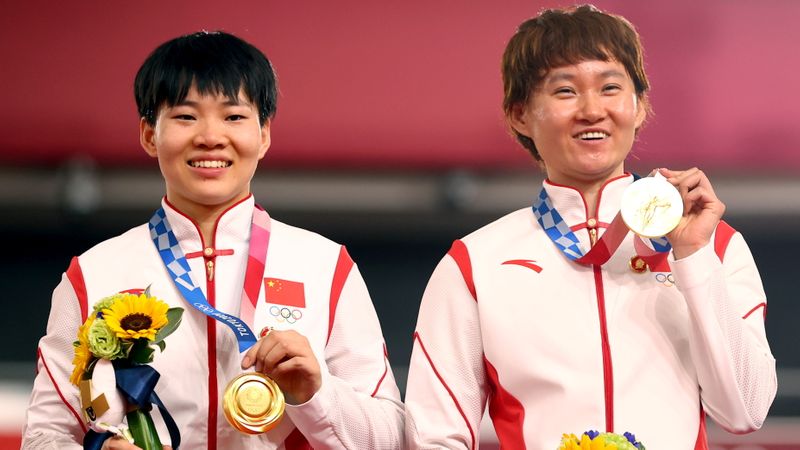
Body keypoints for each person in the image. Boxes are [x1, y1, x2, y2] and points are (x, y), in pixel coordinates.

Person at [404, 5, 777, 449]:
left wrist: (694, 258)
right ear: (520, 115)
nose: (592, 110)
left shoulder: (714, 245)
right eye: (565, 91)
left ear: (639, 107)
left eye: (610, 88)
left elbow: (745, 411)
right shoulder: (475, 264)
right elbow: (434, 436)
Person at [22, 31, 404, 449]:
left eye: (234, 117)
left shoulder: (325, 267)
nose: (210, 136)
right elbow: (44, 436)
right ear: (149, 135)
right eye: (186, 116)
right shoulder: (94, 273)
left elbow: (390, 437)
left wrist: (316, 393)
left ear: (264, 134)